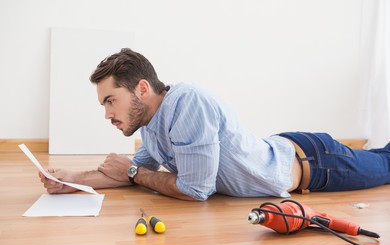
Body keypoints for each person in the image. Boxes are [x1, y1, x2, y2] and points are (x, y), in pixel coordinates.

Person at [39, 48, 390, 201]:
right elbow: (131, 171)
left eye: (109, 101)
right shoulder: (150, 123)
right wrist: (72, 180)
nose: (107, 114)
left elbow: (195, 190)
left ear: (141, 89)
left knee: (386, 163)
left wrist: (132, 173)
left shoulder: (187, 103)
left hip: (316, 162)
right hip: (288, 148)